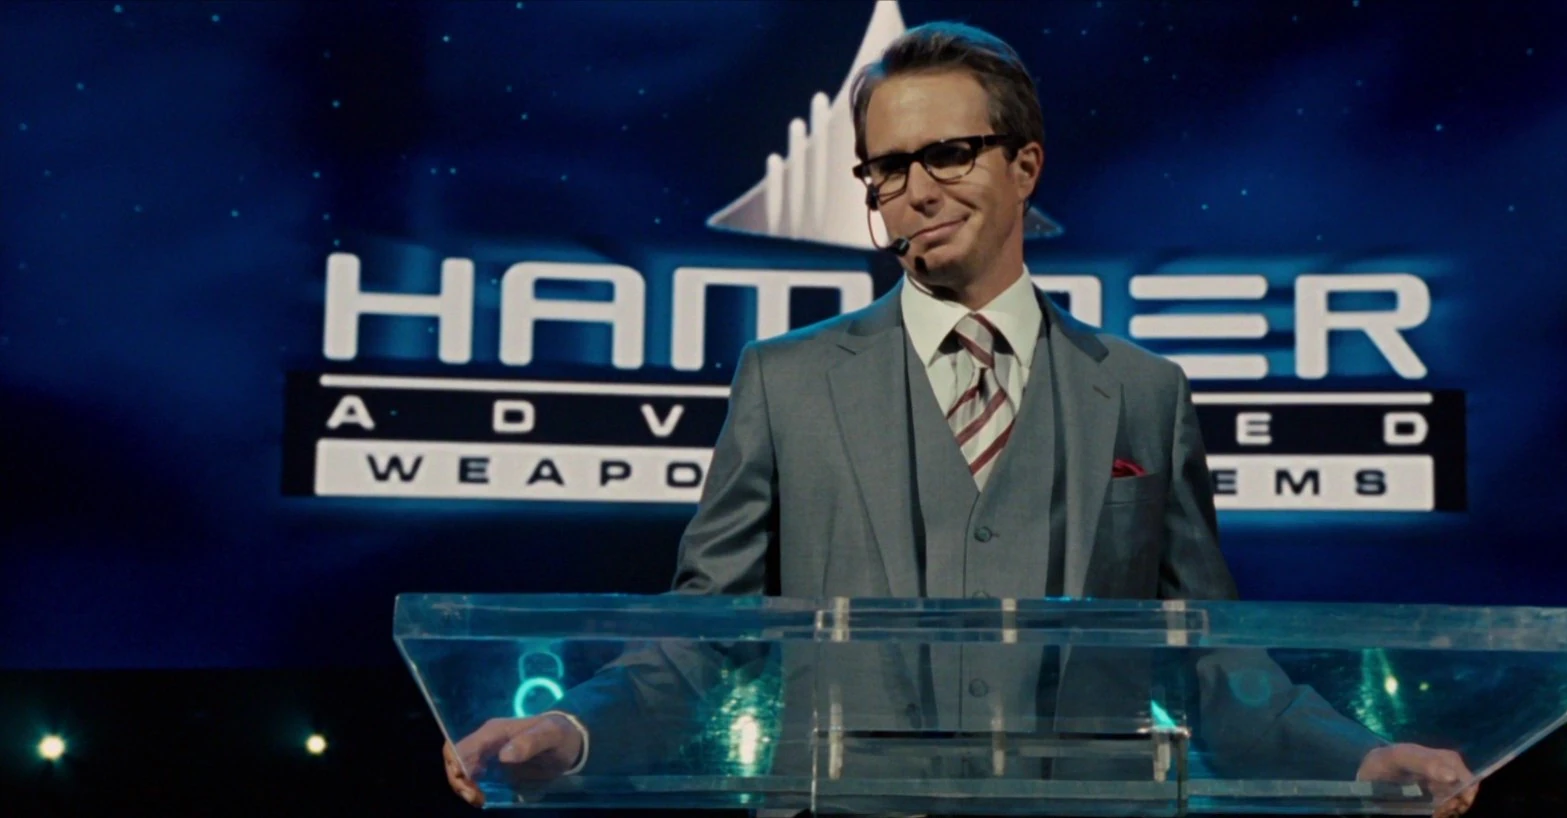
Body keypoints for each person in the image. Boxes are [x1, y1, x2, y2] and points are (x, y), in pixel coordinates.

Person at [445, 20, 1477, 818]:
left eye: (948, 154)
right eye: (887, 169)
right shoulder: (785, 383)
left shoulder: (1144, 393)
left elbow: (1213, 658)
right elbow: (701, 642)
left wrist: (1357, 759)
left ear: (1025, 166)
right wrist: (572, 729)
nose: (916, 191)